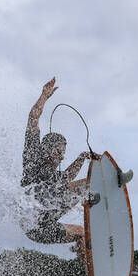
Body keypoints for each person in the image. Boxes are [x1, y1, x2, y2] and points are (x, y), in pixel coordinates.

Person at [21, 77, 94, 254]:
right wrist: (44, 96)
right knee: (85, 187)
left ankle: (90, 274)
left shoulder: (54, 176)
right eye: (59, 152)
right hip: (36, 225)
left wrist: (82, 157)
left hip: (47, 219)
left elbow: (67, 178)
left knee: (84, 234)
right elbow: (33, 119)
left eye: (63, 153)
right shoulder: (34, 157)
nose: (62, 158)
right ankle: (93, 200)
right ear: (47, 149)